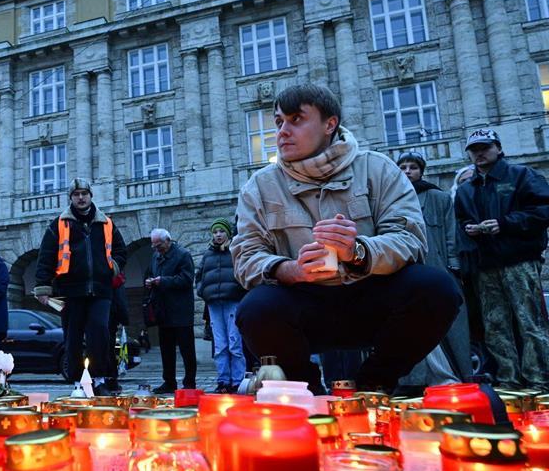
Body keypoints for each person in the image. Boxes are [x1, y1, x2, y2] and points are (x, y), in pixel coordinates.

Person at [231, 83, 461, 393]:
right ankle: (306, 391)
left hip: (372, 296)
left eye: (296, 119)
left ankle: (374, 384)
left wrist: (359, 252)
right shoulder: (259, 186)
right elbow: (246, 256)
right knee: (255, 308)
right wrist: (288, 270)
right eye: (278, 122)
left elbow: (411, 239)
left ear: (330, 124)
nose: (282, 131)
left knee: (436, 288)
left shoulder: (377, 168)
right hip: (305, 302)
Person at [455, 128, 549, 392]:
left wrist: (505, 224)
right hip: (486, 264)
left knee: (529, 321)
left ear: (498, 149)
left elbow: (546, 209)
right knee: (495, 324)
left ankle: (539, 381)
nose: (479, 153)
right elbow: (460, 221)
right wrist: (470, 229)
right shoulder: (467, 189)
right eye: (474, 150)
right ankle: (508, 379)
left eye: (484, 147)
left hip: (519, 259)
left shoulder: (522, 175)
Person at [34, 178, 127, 395]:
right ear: (71, 198)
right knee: (73, 337)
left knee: (100, 333)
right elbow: (46, 256)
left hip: (101, 290)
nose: (81, 197)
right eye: (76, 194)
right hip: (70, 290)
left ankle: (99, 379)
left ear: (91, 196)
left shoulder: (106, 223)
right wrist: (43, 287)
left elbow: (121, 251)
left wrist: (112, 267)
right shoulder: (58, 224)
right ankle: (78, 382)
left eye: (84, 193)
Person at [395, 150, 472, 387]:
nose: (408, 171)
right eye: (403, 167)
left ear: (421, 171)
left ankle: (452, 376)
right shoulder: (390, 198)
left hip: (437, 267)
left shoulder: (438, 198)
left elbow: (450, 233)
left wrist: (453, 266)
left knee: (447, 324)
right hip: (403, 271)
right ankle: (412, 380)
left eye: (413, 167)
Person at [195, 218, 246, 393]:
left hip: (232, 301)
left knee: (234, 342)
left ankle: (237, 381)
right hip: (214, 304)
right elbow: (199, 276)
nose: (218, 235)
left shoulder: (235, 251)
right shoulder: (208, 255)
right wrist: (203, 291)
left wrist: (238, 290)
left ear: (228, 233)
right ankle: (223, 380)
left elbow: (243, 272)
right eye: (215, 232)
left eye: (221, 231)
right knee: (220, 345)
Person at [145, 229, 197, 394]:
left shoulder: (183, 255)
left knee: (186, 350)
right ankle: (169, 382)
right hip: (163, 311)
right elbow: (151, 274)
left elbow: (187, 279)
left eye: (159, 245)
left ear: (168, 240)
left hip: (181, 311)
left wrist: (162, 281)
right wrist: (150, 282)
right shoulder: (155, 257)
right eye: (153, 246)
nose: (156, 249)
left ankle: (189, 383)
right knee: (166, 350)